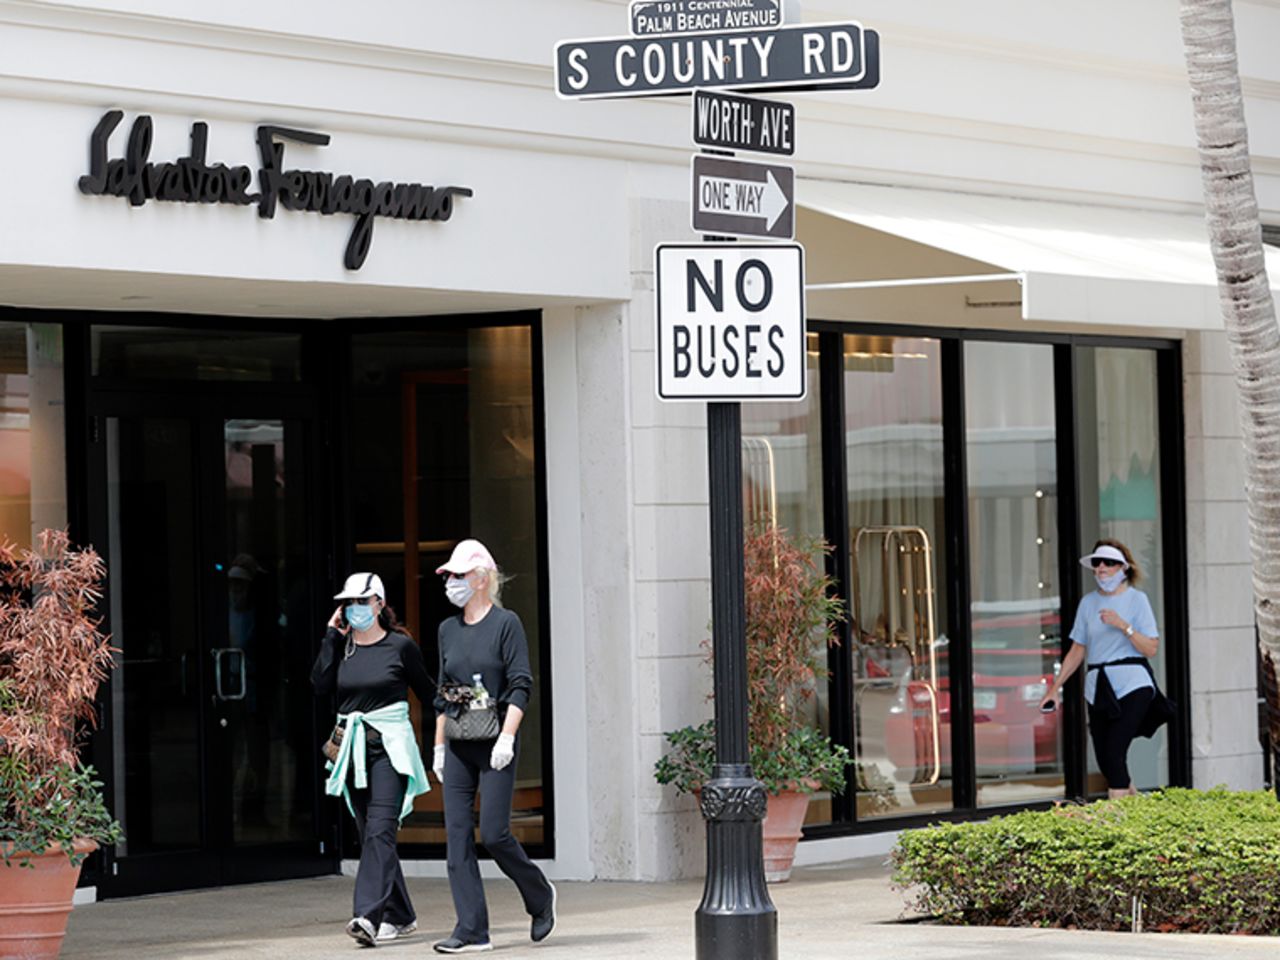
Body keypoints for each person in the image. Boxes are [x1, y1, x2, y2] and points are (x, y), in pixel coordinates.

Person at [430, 539, 556, 955]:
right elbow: (443, 694)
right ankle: (471, 929)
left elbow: (521, 685)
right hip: (460, 741)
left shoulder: (506, 624)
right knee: (457, 837)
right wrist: (438, 748)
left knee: (496, 833)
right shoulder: (447, 630)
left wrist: (507, 736)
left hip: (495, 740)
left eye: (459, 575)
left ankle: (539, 896)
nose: (452, 582)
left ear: (482, 578)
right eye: (449, 576)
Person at [311, 572, 432, 947]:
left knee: (381, 830)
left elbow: (428, 691)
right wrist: (331, 637)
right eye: (348, 603)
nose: (354, 609)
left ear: (379, 604)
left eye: (362, 602)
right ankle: (402, 914)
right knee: (371, 836)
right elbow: (319, 686)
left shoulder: (400, 646)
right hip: (353, 750)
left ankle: (367, 916)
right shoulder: (342, 646)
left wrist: (449, 739)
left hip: (389, 751)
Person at [1039, 539, 1161, 798]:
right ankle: (1136, 804)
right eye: (1097, 563)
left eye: (1110, 563)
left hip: (1133, 684)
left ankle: (1116, 818)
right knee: (1105, 756)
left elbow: (1151, 648)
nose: (1102, 567)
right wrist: (1054, 689)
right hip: (1098, 688)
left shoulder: (1137, 600)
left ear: (1123, 568)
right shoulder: (1088, 603)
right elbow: (1077, 650)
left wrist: (1123, 625)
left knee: (1116, 750)